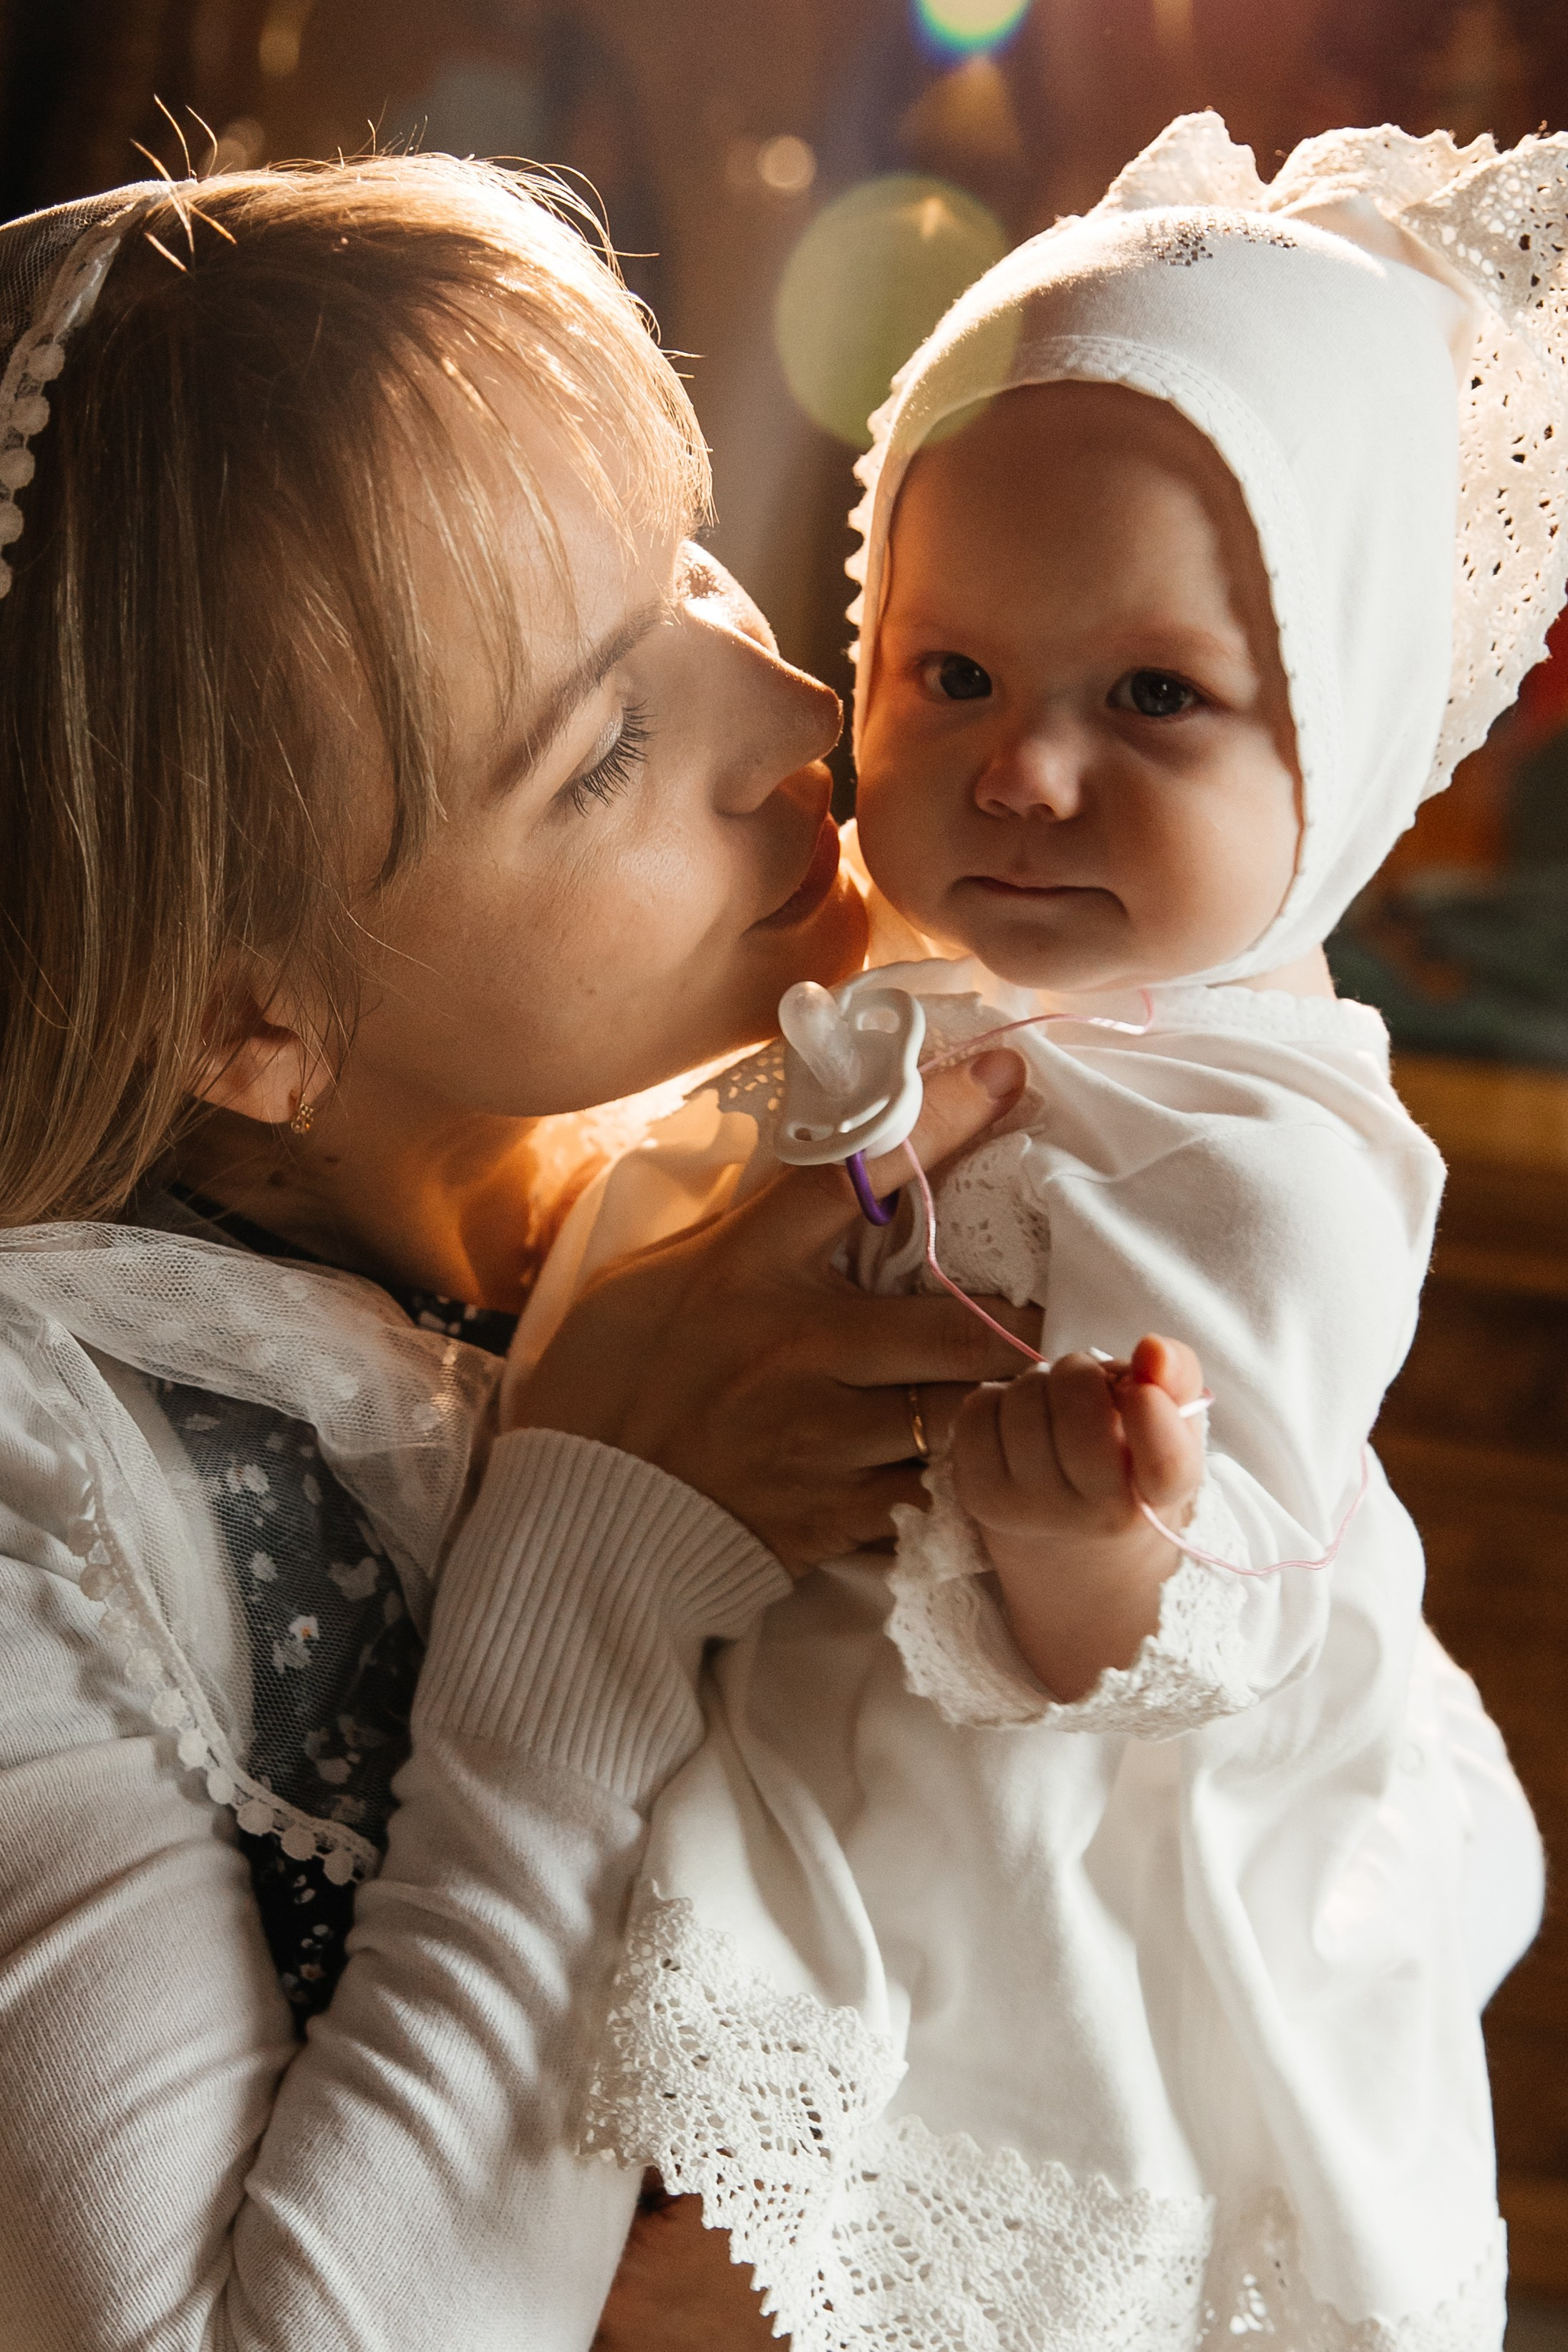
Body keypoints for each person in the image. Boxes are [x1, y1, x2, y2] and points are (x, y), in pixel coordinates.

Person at [523, 115, 1559, 2348]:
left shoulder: (1260, 1158)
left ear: (1348, 747)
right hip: (747, 1708)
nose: (1023, 777)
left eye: (1154, 701)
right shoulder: (910, 996)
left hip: (1023, 1839)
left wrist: (1090, 1535)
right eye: (957, 677)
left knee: (772, 2265)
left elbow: (1214, 1628)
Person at [0, 156, 1042, 2351]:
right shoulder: (56, 1485)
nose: (791, 727)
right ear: (247, 1017)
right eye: (603, 752)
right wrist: (591, 1565)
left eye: (690, 559)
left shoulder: (744, 1170)